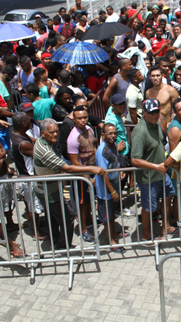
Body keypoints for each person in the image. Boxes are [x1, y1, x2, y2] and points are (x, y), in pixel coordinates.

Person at [33, 118, 107, 250]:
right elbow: (67, 168)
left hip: (51, 188)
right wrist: (90, 169)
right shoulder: (44, 150)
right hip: (48, 191)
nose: (55, 134)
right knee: (68, 217)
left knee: (53, 219)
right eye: (51, 132)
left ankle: (55, 242)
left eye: (56, 131)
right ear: (43, 134)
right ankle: (63, 246)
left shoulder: (48, 142)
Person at [130, 99, 177, 240]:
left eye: (157, 111)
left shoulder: (156, 124)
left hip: (162, 174)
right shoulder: (140, 132)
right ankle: (146, 234)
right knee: (148, 207)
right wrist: (156, 166)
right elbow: (135, 160)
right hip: (148, 178)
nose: (155, 115)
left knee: (168, 196)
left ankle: (165, 227)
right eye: (151, 112)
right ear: (143, 112)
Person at [9, 112, 47, 240]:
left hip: (24, 176)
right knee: (32, 207)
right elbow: (40, 155)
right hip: (29, 178)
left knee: (32, 206)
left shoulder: (17, 134)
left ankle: (35, 226)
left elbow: (34, 142)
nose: (32, 123)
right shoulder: (22, 143)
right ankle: (36, 232)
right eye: (29, 121)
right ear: (24, 123)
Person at [67, 107, 99, 244]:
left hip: (92, 171)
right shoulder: (73, 138)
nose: (82, 120)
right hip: (82, 176)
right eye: (79, 118)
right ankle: (83, 230)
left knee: (90, 201)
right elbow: (75, 163)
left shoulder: (89, 129)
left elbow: (94, 146)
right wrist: (87, 178)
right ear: (73, 119)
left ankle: (90, 220)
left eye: (85, 117)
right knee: (82, 203)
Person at [95, 123, 127, 252]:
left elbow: (114, 161)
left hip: (113, 188)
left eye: (114, 133)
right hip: (106, 191)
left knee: (112, 214)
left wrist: (119, 170)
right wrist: (112, 192)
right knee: (107, 217)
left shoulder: (113, 145)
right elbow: (103, 174)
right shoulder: (102, 151)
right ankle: (111, 242)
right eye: (109, 133)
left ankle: (114, 234)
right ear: (103, 135)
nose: (113, 136)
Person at [145, 65, 178, 132]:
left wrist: (171, 123)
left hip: (167, 126)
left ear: (162, 76)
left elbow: (177, 109)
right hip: (153, 127)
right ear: (149, 77)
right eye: (153, 76)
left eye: (158, 75)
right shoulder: (148, 92)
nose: (155, 78)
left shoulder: (170, 90)